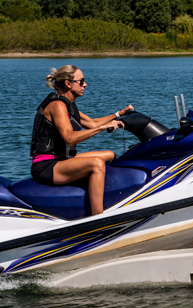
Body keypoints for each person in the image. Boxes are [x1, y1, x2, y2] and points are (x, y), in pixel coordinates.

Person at [30, 65, 133, 216]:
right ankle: (98, 217)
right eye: (81, 81)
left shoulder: (69, 106)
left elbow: (92, 123)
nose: (85, 85)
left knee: (109, 155)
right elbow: (69, 138)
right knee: (96, 164)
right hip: (46, 165)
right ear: (68, 83)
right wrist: (103, 128)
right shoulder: (57, 105)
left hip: (61, 159)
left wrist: (120, 114)